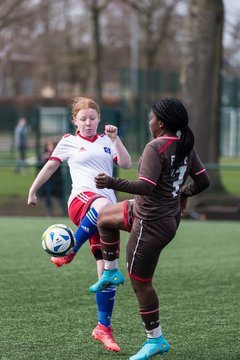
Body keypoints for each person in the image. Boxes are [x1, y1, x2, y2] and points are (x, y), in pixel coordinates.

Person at [88, 98, 210, 360]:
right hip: (153, 213)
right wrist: (183, 194)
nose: (149, 121)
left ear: (161, 123)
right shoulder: (185, 145)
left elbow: (146, 186)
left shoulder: (156, 147)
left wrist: (110, 181)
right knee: (104, 217)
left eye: (152, 117)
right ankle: (110, 272)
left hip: (151, 223)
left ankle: (155, 340)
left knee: (141, 283)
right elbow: (203, 181)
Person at [27, 96, 132, 352]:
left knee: (108, 271)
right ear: (74, 120)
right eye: (83, 119)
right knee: (98, 205)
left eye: (92, 118)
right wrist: (33, 190)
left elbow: (127, 164)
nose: (88, 123)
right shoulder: (68, 142)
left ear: (99, 119)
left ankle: (103, 327)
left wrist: (116, 139)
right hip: (82, 203)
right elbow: (50, 168)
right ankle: (71, 249)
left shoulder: (108, 140)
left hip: (106, 214)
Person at [38, 140, 67, 217]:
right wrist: (43, 158)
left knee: (61, 196)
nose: (50, 147)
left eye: (52, 146)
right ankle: (49, 212)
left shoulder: (58, 154)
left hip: (57, 180)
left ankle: (65, 212)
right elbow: (40, 168)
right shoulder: (43, 155)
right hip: (48, 181)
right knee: (48, 195)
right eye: (49, 146)